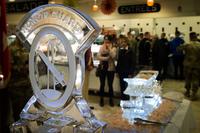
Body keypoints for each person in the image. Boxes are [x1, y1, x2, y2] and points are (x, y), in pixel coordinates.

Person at [178, 32, 200, 100]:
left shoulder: (187, 44)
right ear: (196, 37)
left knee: (187, 79)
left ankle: (187, 92)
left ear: (190, 37)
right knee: (195, 80)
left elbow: (178, 49)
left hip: (187, 65)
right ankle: (193, 94)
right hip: (197, 66)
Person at [97, 35, 116, 107]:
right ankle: (101, 99)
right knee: (102, 84)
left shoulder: (113, 48)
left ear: (110, 41)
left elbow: (113, 56)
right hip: (102, 68)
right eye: (105, 41)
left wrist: (109, 49)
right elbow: (98, 56)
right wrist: (107, 58)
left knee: (110, 85)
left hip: (111, 69)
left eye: (107, 41)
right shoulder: (101, 47)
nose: (106, 43)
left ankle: (111, 100)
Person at [116, 35, 134, 101]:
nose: (122, 43)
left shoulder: (130, 51)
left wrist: (130, 72)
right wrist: (117, 71)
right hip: (121, 71)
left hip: (127, 72)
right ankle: (123, 100)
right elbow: (119, 61)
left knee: (127, 86)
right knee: (122, 86)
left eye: (124, 42)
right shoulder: (121, 51)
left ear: (127, 42)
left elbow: (132, 63)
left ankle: (127, 100)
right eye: (122, 42)